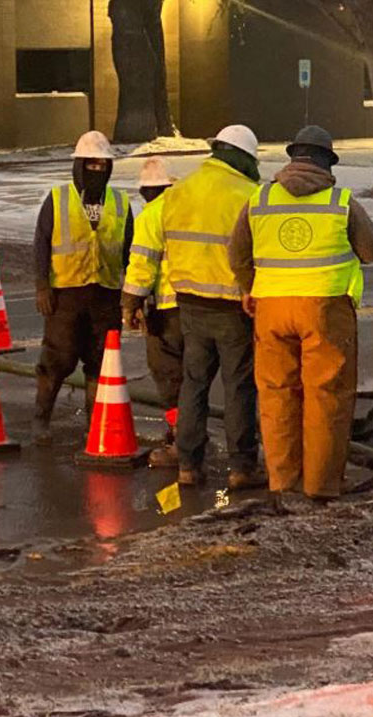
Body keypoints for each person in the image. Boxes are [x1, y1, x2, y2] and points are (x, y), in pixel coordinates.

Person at [229, 126, 373, 501]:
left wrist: (250, 287)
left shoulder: (260, 199)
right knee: (326, 395)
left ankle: (282, 482)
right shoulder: (340, 201)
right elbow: (371, 250)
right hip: (325, 309)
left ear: (292, 159)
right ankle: (321, 485)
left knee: (276, 394)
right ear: (328, 163)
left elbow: (237, 254)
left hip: (271, 309)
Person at [158, 125, 263, 488]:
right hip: (232, 305)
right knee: (238, 387)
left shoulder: (179, 190)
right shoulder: (248, 194)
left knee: (194, 384)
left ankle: (188, 464)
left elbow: (163, 243)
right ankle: (242, 468)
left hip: (188, 302)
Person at [32, 131, 133, 445]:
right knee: (57, 360)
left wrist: (133, 296)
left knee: (100, 361)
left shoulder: (119, 201)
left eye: (103, 165)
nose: (97, 170)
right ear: (78, 166)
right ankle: (41, 420)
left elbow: (130, 251)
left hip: (106, 295)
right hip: (67, 295)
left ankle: (96, 424)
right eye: (91, 164)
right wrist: (42, 286)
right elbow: (41, 243)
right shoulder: (58, 198)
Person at [121, 157, 183, 466]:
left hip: (168, 311)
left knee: (169, 377)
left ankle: (178, 440)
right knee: (196, 379)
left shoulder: (152, 215)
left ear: (147, 191)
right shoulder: (193, 209)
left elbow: (142, 266)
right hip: (204, 305)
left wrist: (130, 304)